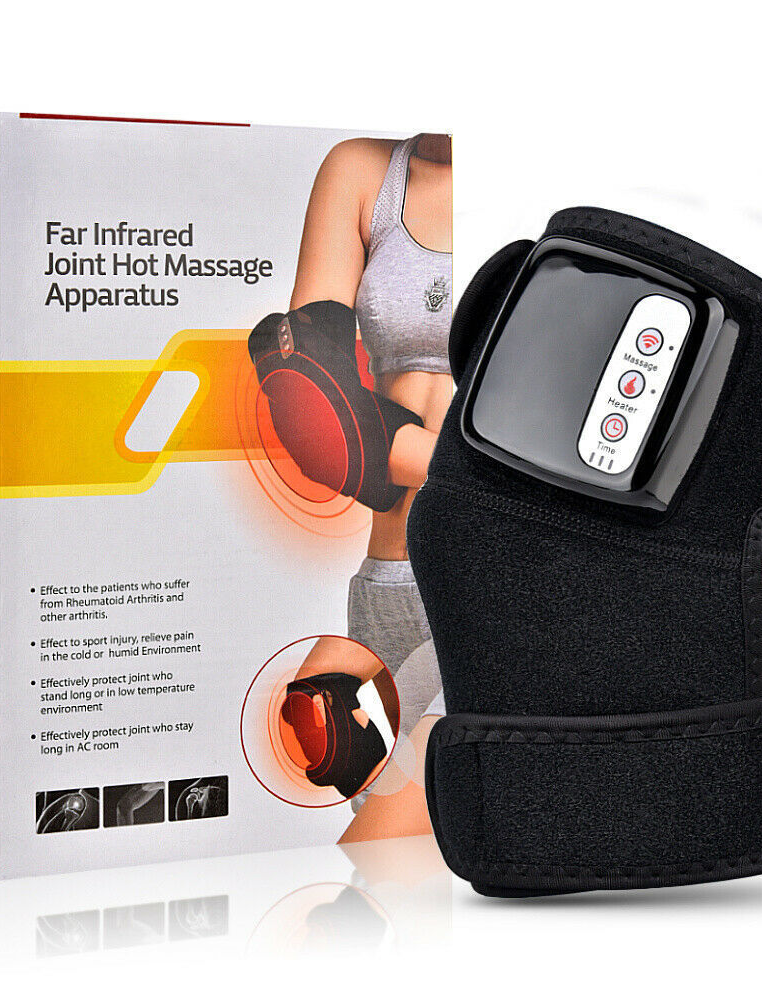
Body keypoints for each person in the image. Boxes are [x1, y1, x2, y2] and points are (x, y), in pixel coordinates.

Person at [283, 134, 452, 837]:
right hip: (389, 582)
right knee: (392, 876)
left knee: (391, 844)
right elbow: (306, 404)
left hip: (502, 576)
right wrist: (464, 472)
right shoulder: (363, 173)